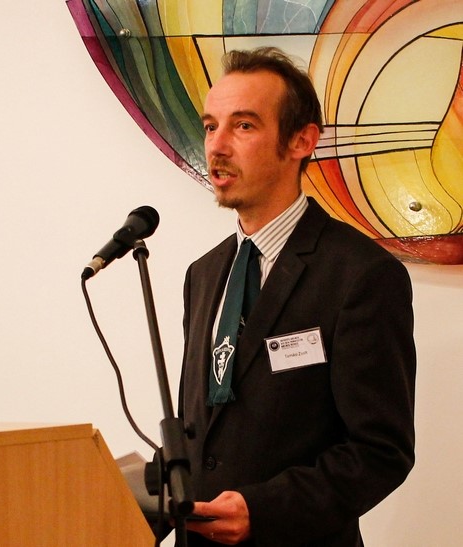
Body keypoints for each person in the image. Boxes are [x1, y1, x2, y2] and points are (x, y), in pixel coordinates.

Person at [178, 47, 416, 546]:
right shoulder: (203, 274)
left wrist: (261, 510)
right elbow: (206, 431)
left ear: (302, 140)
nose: (217, 146)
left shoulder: (362, 276)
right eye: (210, 126)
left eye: (243, 126)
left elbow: (380, 451)